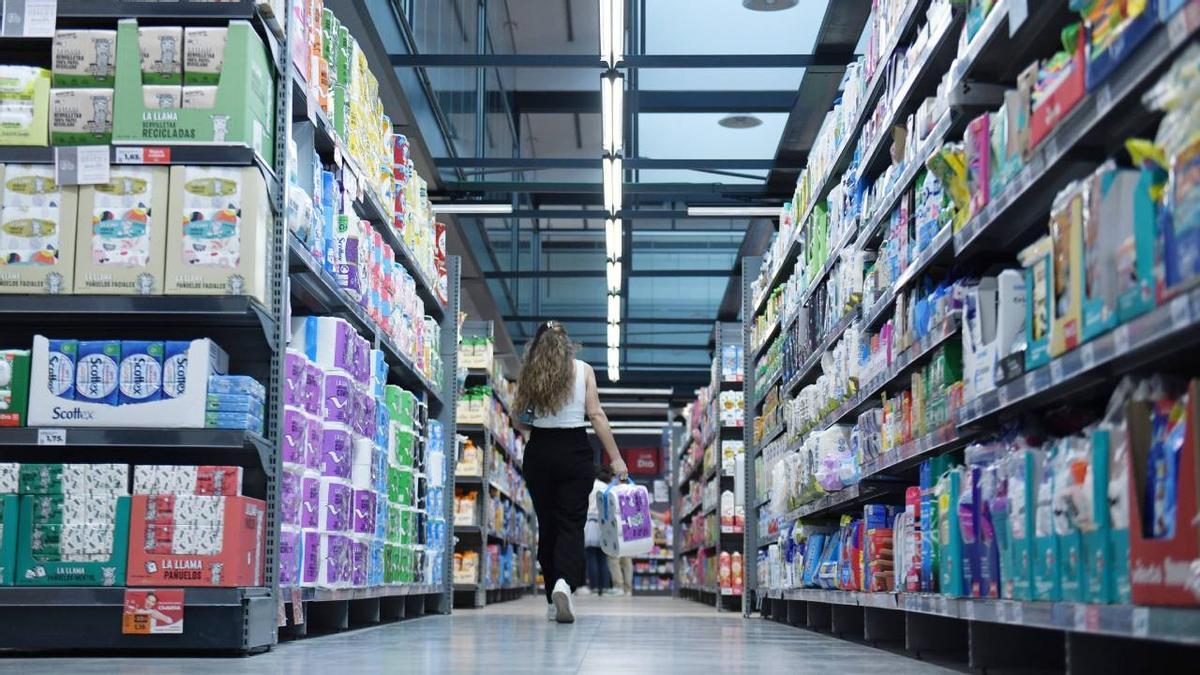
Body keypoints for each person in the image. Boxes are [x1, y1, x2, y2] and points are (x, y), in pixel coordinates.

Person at [514, 320, 628, 624]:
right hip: (575, 450)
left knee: (547, 525)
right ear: (567, 344)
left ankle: (553, 593)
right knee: (571, 524)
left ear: (537, 344)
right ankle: (565, 582)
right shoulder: (584, 369)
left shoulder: (529, 373)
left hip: (540, 451)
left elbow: (519, 422)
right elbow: (596, 415)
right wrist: (616, 458)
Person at [580, 465, 614, 596]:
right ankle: (605, 587)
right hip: (604, 524)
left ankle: (594, 587)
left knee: (591, 557)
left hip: (590, 523)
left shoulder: (588, 486)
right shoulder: (606, 487)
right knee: (603, 557)